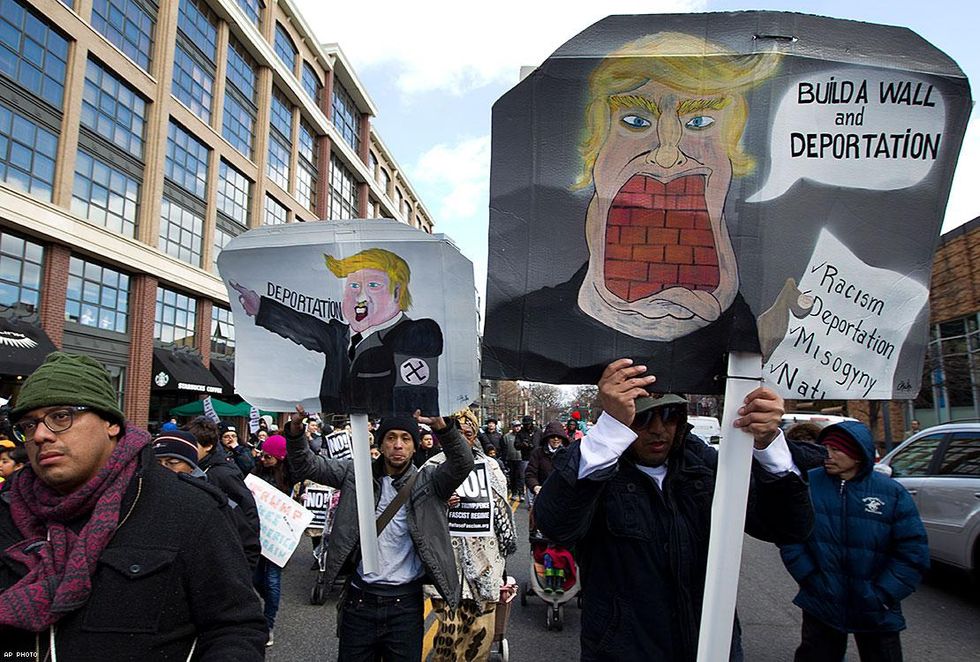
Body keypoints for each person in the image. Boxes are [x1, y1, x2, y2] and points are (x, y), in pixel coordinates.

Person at [481, 32, 803, 392]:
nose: (667, 154)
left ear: (731, 156)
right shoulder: (518, 327)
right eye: (635, 121)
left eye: (699, 123)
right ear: (595, 153)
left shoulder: (754, 332)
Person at [534, 358, 814, 661]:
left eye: (669, 415)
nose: (658, 430)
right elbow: (556, 524)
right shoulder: (598, 466)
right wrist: (609, 432)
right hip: (625, 652)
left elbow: (789, 527)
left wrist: (769, 444)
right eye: (643, 419)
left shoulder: (703, 465)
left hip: (711, 647)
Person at [0, 352, 266, 659]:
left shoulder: (190, 509)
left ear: (111, 423)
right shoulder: (8, 512)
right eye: (29, 425)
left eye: (61, 416)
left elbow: (235, 628)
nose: (41, 435)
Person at [285, 404, 474, 661]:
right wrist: (295, 431)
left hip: (405, 607)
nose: (398, 445)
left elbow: (463, 463)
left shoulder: (429, 481)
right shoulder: (355, 474)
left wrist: (442, 427)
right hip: (359, 602)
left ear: (414, 446)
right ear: (381, 444)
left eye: (406, 439)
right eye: (391, 438)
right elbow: (309, 466)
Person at [780, 421, 929, 662]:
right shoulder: (807, 484)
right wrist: (810, 578)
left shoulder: (891, 493)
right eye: (825, 447)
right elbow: (789, 536)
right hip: (822, 602)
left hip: (875, 608)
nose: (827, 455)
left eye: (836, 449)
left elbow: (912, 551)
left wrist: (883, 594)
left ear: (858, 454)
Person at [231, 248, 443, 415]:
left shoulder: (414, 335)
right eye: (353, 287)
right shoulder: (339, 336)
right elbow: (302, 325)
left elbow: (417, 407)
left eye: (373, 285)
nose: (360, 297)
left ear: (397, 292)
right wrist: (261, 308)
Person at [425, 409, 517, 662]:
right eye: (457, 433)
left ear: (475, 436)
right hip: (447, 564)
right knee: (449, 636)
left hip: (485, 564)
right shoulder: (431, 467)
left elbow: (502, 513)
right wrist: (440, 502)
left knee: (479, 635)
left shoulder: (491, 468)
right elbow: (418, 515)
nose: (463, 438)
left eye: (468, 434)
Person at [184, 417, 262, 571]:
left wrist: (245, 566)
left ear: (208, 446)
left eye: (192, 445)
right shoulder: (192, 467)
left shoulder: (223, 474)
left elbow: (248, 514)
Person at [252, 434, 295, 647]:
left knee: (272, 579)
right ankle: (269, 603)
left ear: (279, 457)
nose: (263, 460)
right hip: (257, 533)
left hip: (278, 537)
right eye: (263, 455)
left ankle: (268, 624)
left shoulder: (289, 475)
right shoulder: (256, 471)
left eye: (269, 457)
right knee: (255, 578)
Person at [525, 421, 568, 509]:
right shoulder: (538, 453)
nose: (556, 439)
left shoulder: (568, 453)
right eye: (552, 437)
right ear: (547, 438)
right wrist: (535, 486)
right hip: (543, 497)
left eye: (559, 437)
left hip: (564, 498)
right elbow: (530, 473)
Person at [502, 419, 523, 499]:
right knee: (513, 477)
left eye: (518, 426)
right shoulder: (506, 437)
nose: (517, 428)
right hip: (511, 459)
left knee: (521, 477)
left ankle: (521, 493)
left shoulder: (523, 435)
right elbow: (504, 448)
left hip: (521, 459)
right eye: (515, 426)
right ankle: (514, 493)